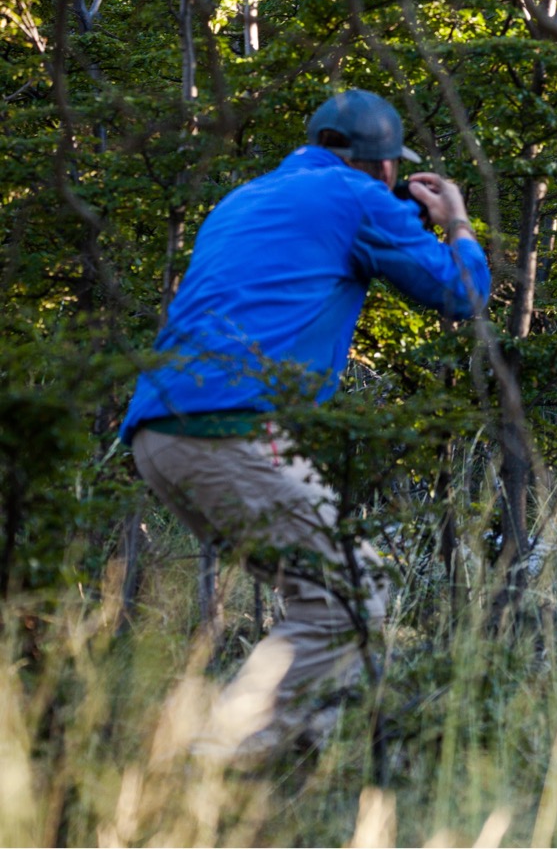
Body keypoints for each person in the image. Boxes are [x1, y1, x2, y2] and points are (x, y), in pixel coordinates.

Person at [120, 89, 490, 762]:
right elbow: (458, 291)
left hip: (158, 434)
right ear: (383, 167)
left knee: (325, 594)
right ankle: (217, 765)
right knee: (352, 590)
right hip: (227, 428)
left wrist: (398, 214)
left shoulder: (243, 200)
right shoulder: (360, 199)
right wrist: (457, 221)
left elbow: (310, 247)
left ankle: (292, 767)